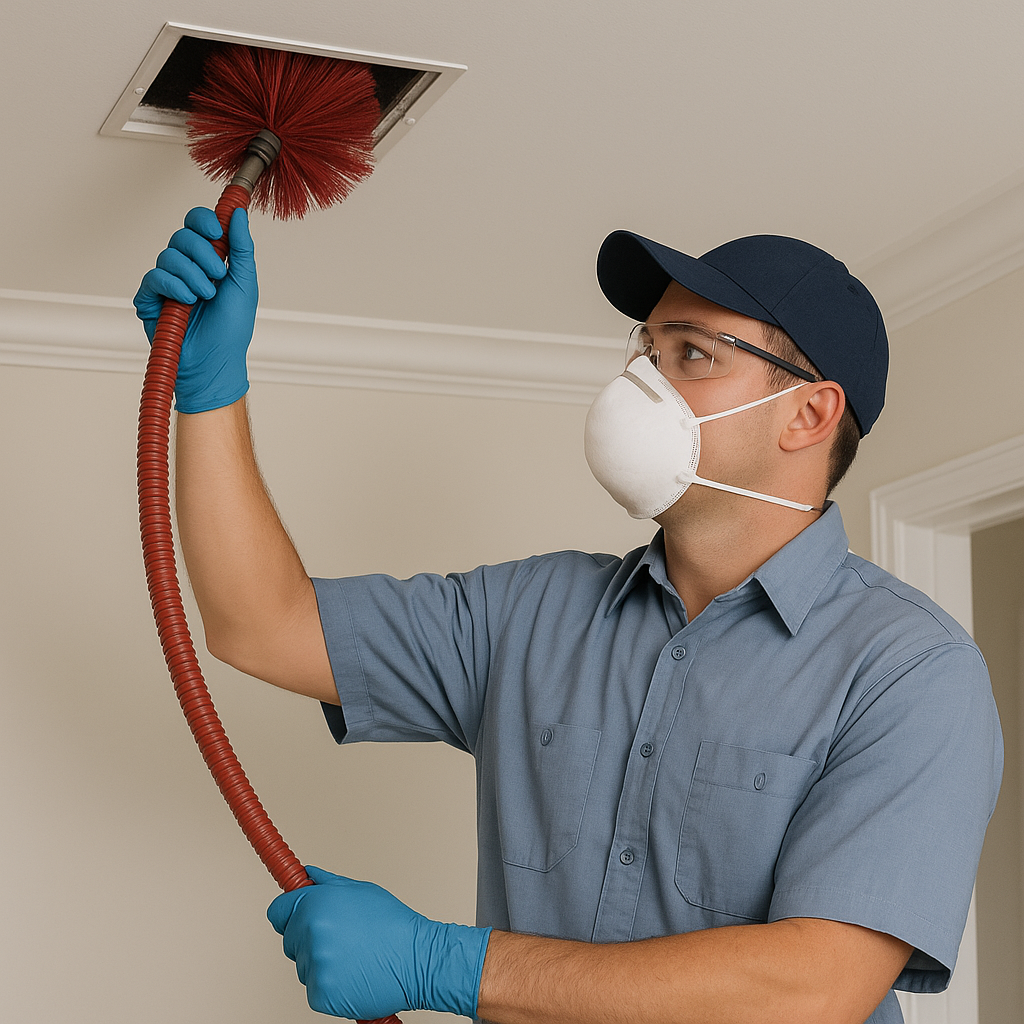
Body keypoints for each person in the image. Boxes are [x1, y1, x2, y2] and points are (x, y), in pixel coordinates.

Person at [135, 208, 1003, 1024]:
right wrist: (210, 391)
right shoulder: (531, 614)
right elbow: (261, 623)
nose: (643, 382)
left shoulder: (910, 672)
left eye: (692, 354)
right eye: (647, 350)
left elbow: (813, 987)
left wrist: (444, 963)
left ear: (809, 412)